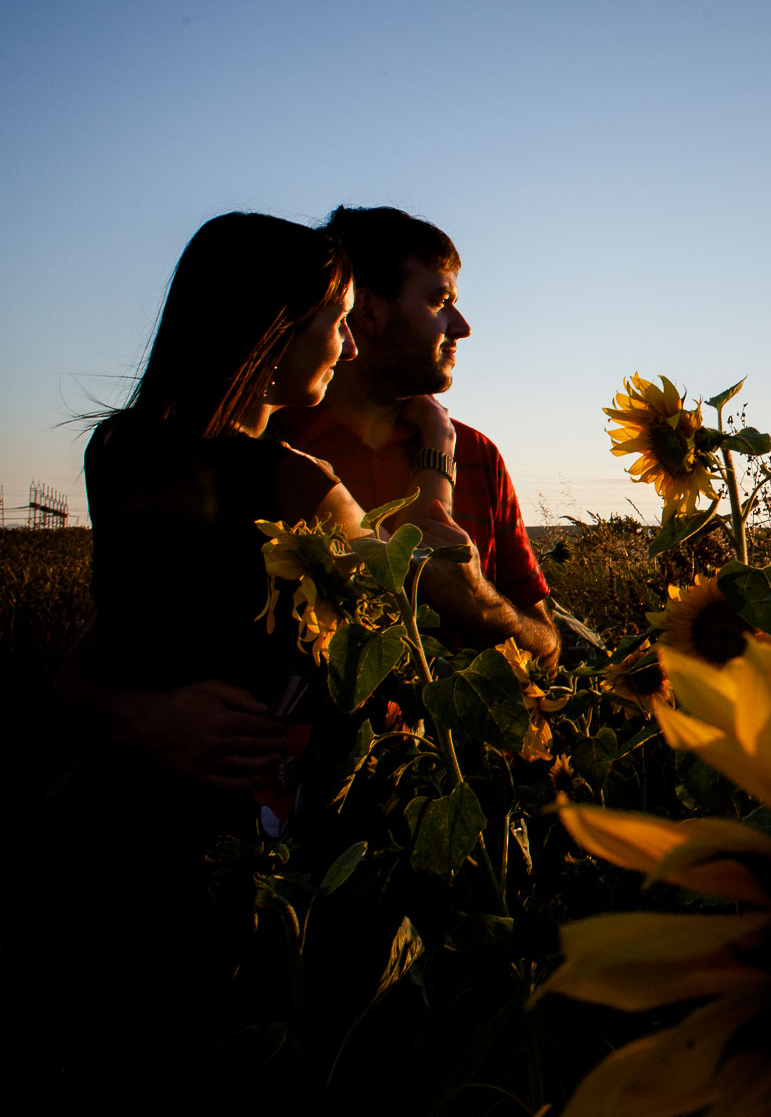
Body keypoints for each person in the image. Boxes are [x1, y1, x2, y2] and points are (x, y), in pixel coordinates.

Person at [46, 212, 482, 1110]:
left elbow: (118, 625)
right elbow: (413, 571)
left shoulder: (116, 451)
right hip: (243, 827)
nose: (349, 339)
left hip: (117, 808)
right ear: (278, 327)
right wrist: (437, 459)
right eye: (338, 318)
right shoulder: (291, 482)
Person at [278, 205, 559, 669]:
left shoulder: (475, 453)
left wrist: (478, 601)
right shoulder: (273, 448)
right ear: (366, 309)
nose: (462, 328)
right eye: (440, 301)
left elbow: (548, 650)